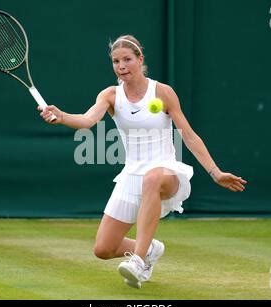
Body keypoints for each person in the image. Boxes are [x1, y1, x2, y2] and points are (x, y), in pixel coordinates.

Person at [38, 35, 247, 289]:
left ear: (140, 60)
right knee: (104, 248)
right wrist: (61, 116)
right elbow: (87, 120)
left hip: (166, 174)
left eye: (127, 59)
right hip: (131, 175)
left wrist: (215, 172)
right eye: (116, 61)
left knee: (152, 177)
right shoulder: (110, 95)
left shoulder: (162, 92)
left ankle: (138, 260)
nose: (121, 65)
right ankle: (149, 250)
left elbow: (189, 136)